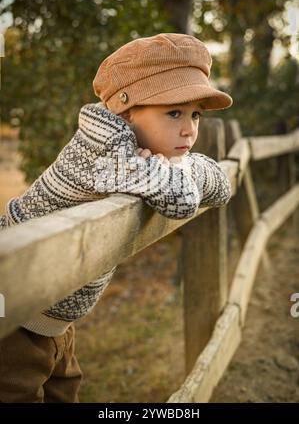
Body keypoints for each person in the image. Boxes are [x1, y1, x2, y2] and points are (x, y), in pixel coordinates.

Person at [0, 32, 233, 402]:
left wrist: (176, 168)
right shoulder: (102, 146)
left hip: (56, 316)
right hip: (14, 314)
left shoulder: (143, 150)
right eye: (173, 112)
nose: (189, 129)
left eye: (195, 115)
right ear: (125, 112)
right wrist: (178, 174)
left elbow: (220, 184)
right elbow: (183, 200)